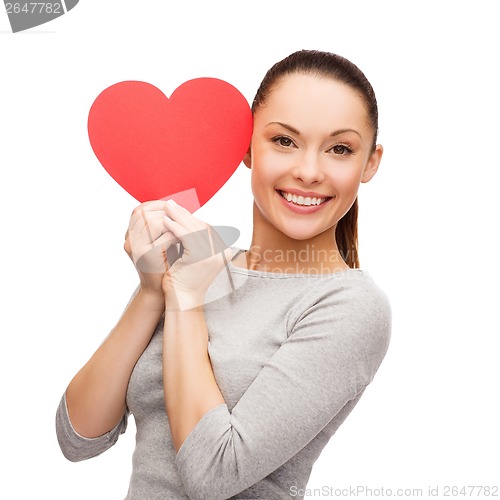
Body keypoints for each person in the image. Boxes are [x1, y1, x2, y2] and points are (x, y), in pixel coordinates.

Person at [56, 49, 392, 499]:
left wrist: (187, 300)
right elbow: (77, 438)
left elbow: (214, 475)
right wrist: (153, 290)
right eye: (284, 141)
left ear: (370, 162)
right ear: (246, 147)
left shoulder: (350, 306)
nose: (308, 172)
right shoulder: (197, 264)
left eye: (340, 149)